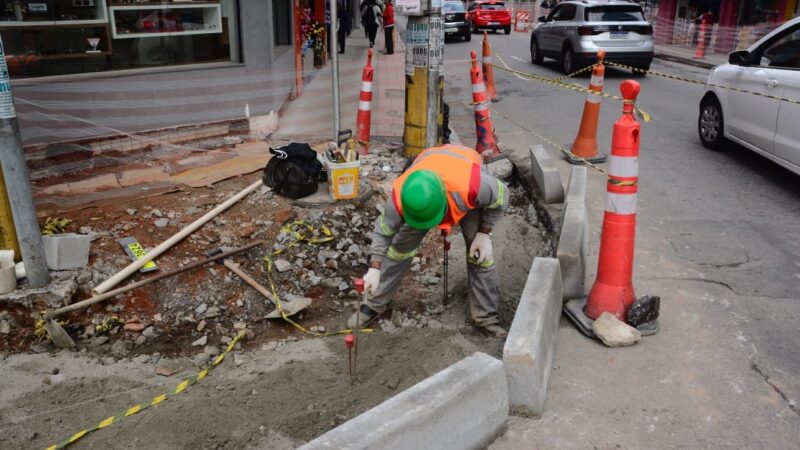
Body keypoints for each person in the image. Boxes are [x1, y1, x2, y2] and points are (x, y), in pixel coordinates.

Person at [347, 144, 510, 338]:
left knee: (480, 255)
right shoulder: (402, 195)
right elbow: (383, 232)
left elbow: (502, 196)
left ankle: (487, 318)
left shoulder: (473, 186)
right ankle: (375, 304)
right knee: (399, 248)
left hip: (462, 172)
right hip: (429, 167)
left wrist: (484, 234)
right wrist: (374, 268)